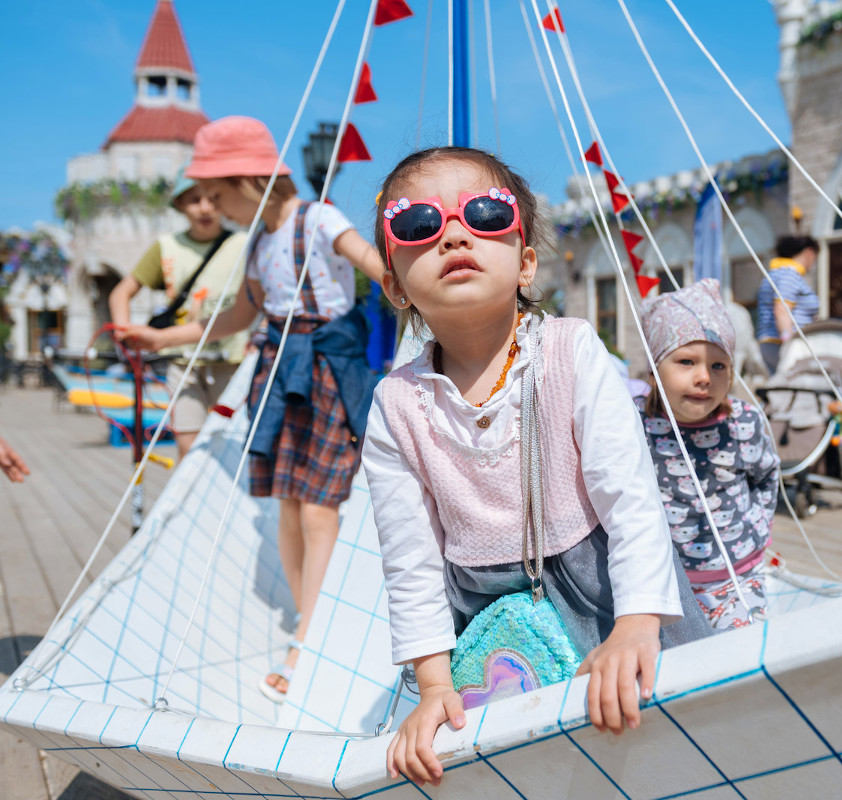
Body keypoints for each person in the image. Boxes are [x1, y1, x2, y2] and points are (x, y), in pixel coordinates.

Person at [361, 146, 711, 788]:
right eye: (417, 226)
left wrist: (637, 623)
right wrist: (433, 681)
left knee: (669, 745)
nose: (455, 234)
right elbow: (409, 559)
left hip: (606, 586)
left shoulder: (572, 352)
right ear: (394, 285)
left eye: (486, 214)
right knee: (534, 774)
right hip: (491, 620)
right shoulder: (396, 406)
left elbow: (630, 498)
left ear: (525, 263)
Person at [118, 116, 386, 703]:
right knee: (289, 505)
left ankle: (308, 640)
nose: (212, 205)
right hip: (276, 371)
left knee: (319, 509)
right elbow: (242, 316)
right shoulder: (261, 242)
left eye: (217, 192)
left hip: (326, 370)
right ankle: (307, 621)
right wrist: (160, 338)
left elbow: (376, 268)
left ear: (248, 180)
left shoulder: (318, 218)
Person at [638, 278, 780, 630]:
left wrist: (758, 527)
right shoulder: (634, 424)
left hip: (738, 577)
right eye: (687, 361)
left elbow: (766, 475)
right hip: (665, 587)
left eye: (719, 365)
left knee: (745, 654)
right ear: (655, 369)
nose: (704, 377)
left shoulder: (744, 423)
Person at [109, 168, 249, 459]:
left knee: (236, 444)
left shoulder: (244, 242)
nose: (205, 207)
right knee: (189, 446)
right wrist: (125, 332)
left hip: (233, 359)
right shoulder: (167, 247)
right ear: (180, 205)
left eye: (212, 198)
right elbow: (121, 292)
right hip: (183, 362)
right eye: (194, 200)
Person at [756, 235, 820, 374]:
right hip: (784, 345)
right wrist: (788, 343)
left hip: (768, 342)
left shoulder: (774, 274)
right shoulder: (789, 275)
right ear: (809, 253)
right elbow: (782, 310)